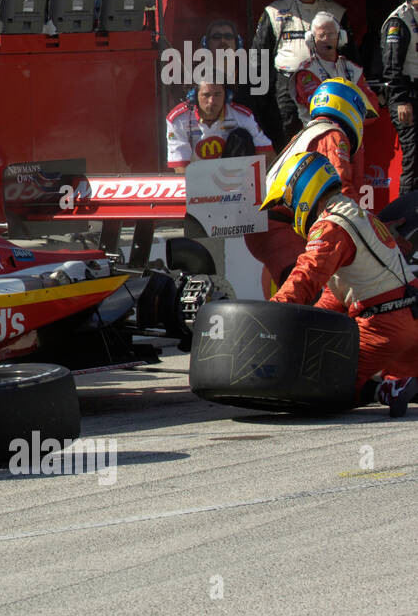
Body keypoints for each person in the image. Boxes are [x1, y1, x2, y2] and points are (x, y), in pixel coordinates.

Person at [260, 152, 418, 417]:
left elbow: (305, 278)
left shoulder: (330, 226)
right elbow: (334, 298)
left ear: (303, 192)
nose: (290, 210)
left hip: (383, 325)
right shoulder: (356, 213)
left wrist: (267, 317)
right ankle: (399, 382)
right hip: (409, 318)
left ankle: (387, 390)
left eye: (289, 203)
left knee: (319, 387)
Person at [245, 78, 376, 289]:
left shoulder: (310, 131)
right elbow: (340, 190)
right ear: (349, 106)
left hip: (271, 224)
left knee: (296, 299)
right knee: (306, 302)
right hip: (281, 227)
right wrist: (371, 230)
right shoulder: (332, 134)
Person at [252, 0, 347, 148]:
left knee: (324, 132)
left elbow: (349, 52)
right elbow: (259, 56)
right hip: (286, 82)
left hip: (325, 81)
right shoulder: (274, 11)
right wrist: (259, 97)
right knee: (287, 134)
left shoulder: (335, 11)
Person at [165, 80, 273, 173]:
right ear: (194, 97)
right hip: (196, 181)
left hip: (234, 183)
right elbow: (180, 166)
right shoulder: (178, 119)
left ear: (227, 96)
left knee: (241, 137)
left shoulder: (242, 116)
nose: (211, 101)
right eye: (206, 95)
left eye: (217, 95)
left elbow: (267, 153)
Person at [290, 13, 376, 125]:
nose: (326, 40)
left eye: (331, 34)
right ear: (311, 40)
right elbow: (321, 109)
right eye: (321, 35)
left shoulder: (353, 68)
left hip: (352, 134)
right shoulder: (306, 72)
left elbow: (372, 106)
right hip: (321, 135)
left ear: (340, 37)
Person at [381, 0, 418, 194]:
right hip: (406, 94)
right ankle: (408, 219)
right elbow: (391, 67)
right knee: (413, 157)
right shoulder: (399, 20)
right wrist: (401, 100)